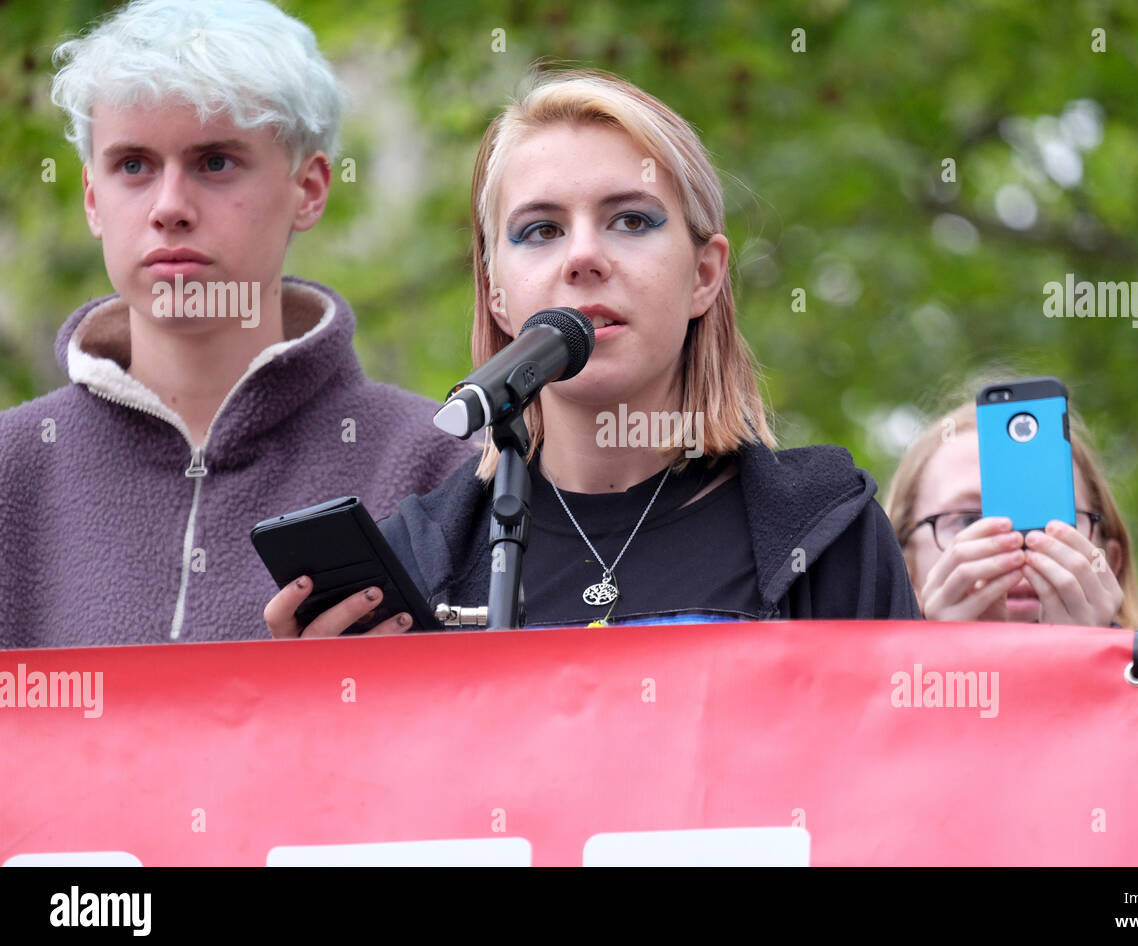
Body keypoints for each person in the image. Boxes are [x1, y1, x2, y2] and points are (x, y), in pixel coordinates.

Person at [265, 69, 920, 636]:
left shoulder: (825, 531)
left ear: (703, 275)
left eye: (631, 220)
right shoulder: (417, 560)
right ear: (496, 292)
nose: (582, 257)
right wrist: (324, 711)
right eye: (541, 230)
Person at [0, 0, 474, 647]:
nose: (169, 207)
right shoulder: (14, 467)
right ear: (91, 198)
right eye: (133, 165)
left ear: (308, 189)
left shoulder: (439, 465)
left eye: (215, 162)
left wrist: (346, 710)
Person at [883, 389, 1138, 628]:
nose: (1019, 541)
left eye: (1050, 518)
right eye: (967, 521)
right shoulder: (868, 682)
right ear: (904, 567)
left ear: (1110, 563)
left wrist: (1088, 661)